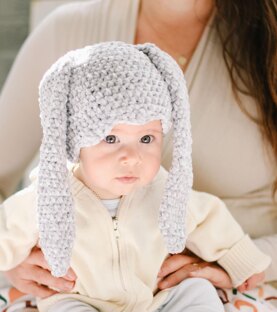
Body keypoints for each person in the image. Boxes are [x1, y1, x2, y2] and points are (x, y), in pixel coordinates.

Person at [0, 41, 270, 312]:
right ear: (75, 142)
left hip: (156, 295)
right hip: (83, 301)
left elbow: (208, 217)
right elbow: (6, 231)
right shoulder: (50, 195)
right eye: (110, 138)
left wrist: (245, 263)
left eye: (147, 138)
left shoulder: (162, 187)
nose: (131, 157)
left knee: (198, 295)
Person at [0, 0, 276, 296]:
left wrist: (245, 262)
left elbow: (243, 258)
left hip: (240, 291)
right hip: (79, 296)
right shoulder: (67, 30)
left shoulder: (268, 41)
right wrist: (10, 264)